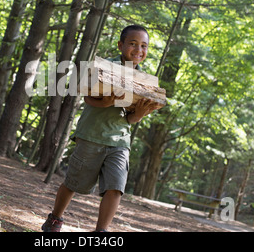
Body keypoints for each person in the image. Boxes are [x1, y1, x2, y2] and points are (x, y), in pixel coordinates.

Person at [42, 25, 163, 232]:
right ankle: (55, 218)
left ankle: (101, 231)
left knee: (116, 187)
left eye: (144, 46)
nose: (138, 50)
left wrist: (140, 114)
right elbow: (88, 97)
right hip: (92, 135)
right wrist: (106, 103)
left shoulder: (145, 82)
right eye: (133, 44)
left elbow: (131, 118)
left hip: (120, 141)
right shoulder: (107, 68)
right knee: (74, 183)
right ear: (121, 45)